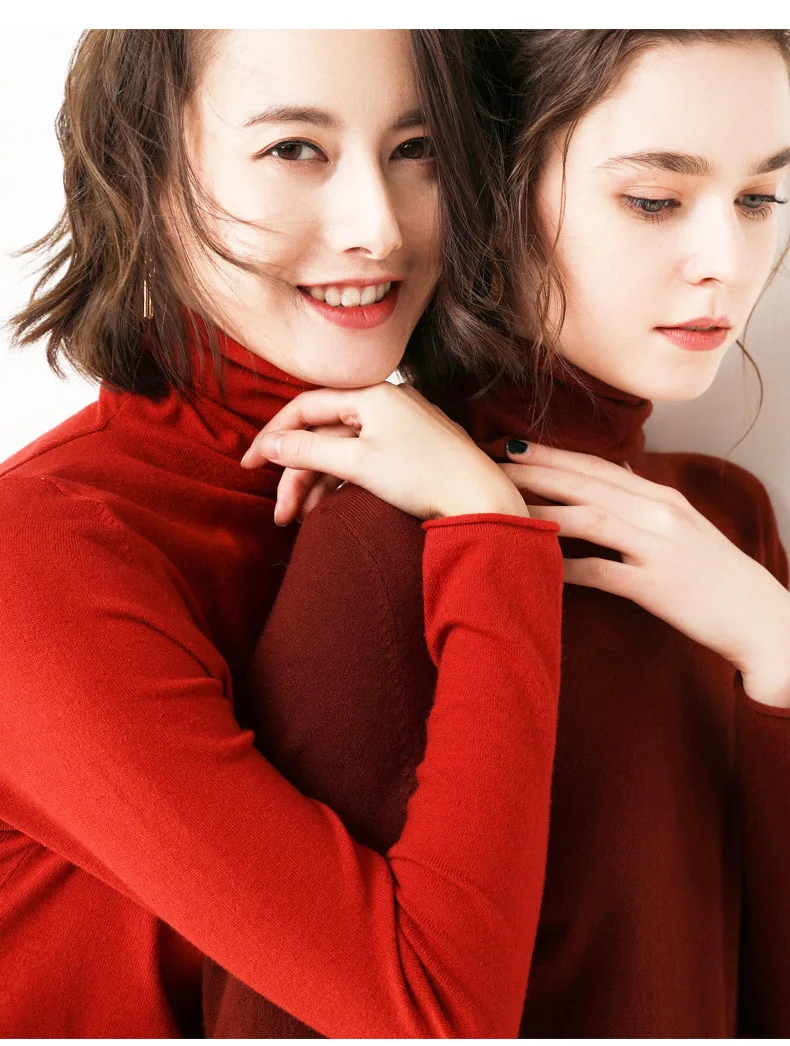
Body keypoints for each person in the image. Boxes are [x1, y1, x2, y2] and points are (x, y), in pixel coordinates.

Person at [206, 29, 790, 1038]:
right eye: (654, 199)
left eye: (760, 199)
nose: (726, 265)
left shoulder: (726, 522)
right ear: (494, 189)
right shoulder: (380, 538)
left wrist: (776, 649)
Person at [0, 29, 565, 1037]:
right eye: (294, 149)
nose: (378, 229)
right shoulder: (37, 553)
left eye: (418, 148)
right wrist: (488, 533)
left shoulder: (413, 479)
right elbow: (432, 1012)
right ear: (146, 176)